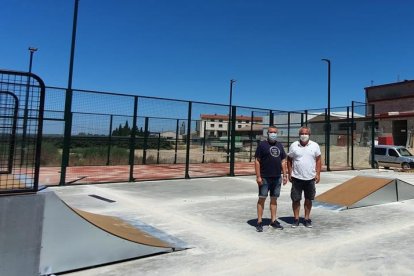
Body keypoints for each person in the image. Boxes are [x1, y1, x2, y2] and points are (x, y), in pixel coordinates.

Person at [254, 125, 288, 232]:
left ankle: (273, 221)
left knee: (274, 199)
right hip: (264, 177)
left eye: (275, 132)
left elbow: (283, 161)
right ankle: (259, 221)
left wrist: (285, 175)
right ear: (267, 133)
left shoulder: (279, 145)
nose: (273, 134)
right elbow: (257, 161)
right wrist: (258, 176)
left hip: (277, 177)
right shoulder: (262, 145)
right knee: (262, 199)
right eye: (271, 132)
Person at [287, 126, 321, 228]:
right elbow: (289, 160)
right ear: (299, 135)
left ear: (309, 135)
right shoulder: (294, 145)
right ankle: (296, 219)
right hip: (296, 177)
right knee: (296, 199)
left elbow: (318, 160)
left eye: (306, 133)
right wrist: (289, 173)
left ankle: (306, 219)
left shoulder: (315, 146)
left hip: (310, 178)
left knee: (308, 199)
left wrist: (318, 174)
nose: (304, 135)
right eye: (302, 133)